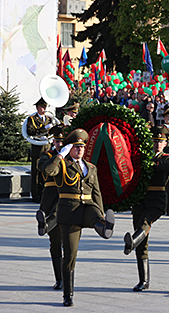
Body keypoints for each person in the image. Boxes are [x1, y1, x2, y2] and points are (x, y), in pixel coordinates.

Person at [42, 129, 115, 306]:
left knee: (95, 214)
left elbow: (96, 193)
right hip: (69, 211)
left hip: (88, 207)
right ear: (70, 148)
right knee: (70, 255)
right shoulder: (62, 165)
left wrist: (103, 212)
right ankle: (68, 295)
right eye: (76, 147)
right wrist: (60, 155)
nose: (80, 149)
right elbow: (48, 170)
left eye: (82, 146)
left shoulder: (91, 167)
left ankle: (103, 226)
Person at [123, 126, 169, 291]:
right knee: (142, 241)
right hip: (140, 199)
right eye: (155, 142)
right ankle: (143, 280)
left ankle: (131, 241)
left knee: (145, 222)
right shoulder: (141, 157)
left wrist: (148, 161)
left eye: (160, 142)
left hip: (158, 199)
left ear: (166, 143)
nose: (157, 145)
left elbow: (168, 166)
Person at [36, 125, 65, 290]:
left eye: (62, 140)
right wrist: (60, 156)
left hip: (66, 197)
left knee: (67, 242)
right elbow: (44, 169)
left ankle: (45, 224)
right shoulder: (46, 155)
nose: (60, 143)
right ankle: (59, 278)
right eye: (58, 140)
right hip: (50, 197)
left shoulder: (71, 157)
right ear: (53, 141)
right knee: (55, 242)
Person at [26, 98, 52, 202]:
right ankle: (35, 194)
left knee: (44, 172)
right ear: (37, 108)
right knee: (35, 173)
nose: (44, 109)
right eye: (42, 107)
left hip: (47, 148)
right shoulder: (32, 119)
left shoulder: (49, 119)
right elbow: (30, 131)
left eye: (45, 107)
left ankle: (43, 193)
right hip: (37, 149)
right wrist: (44, 129)